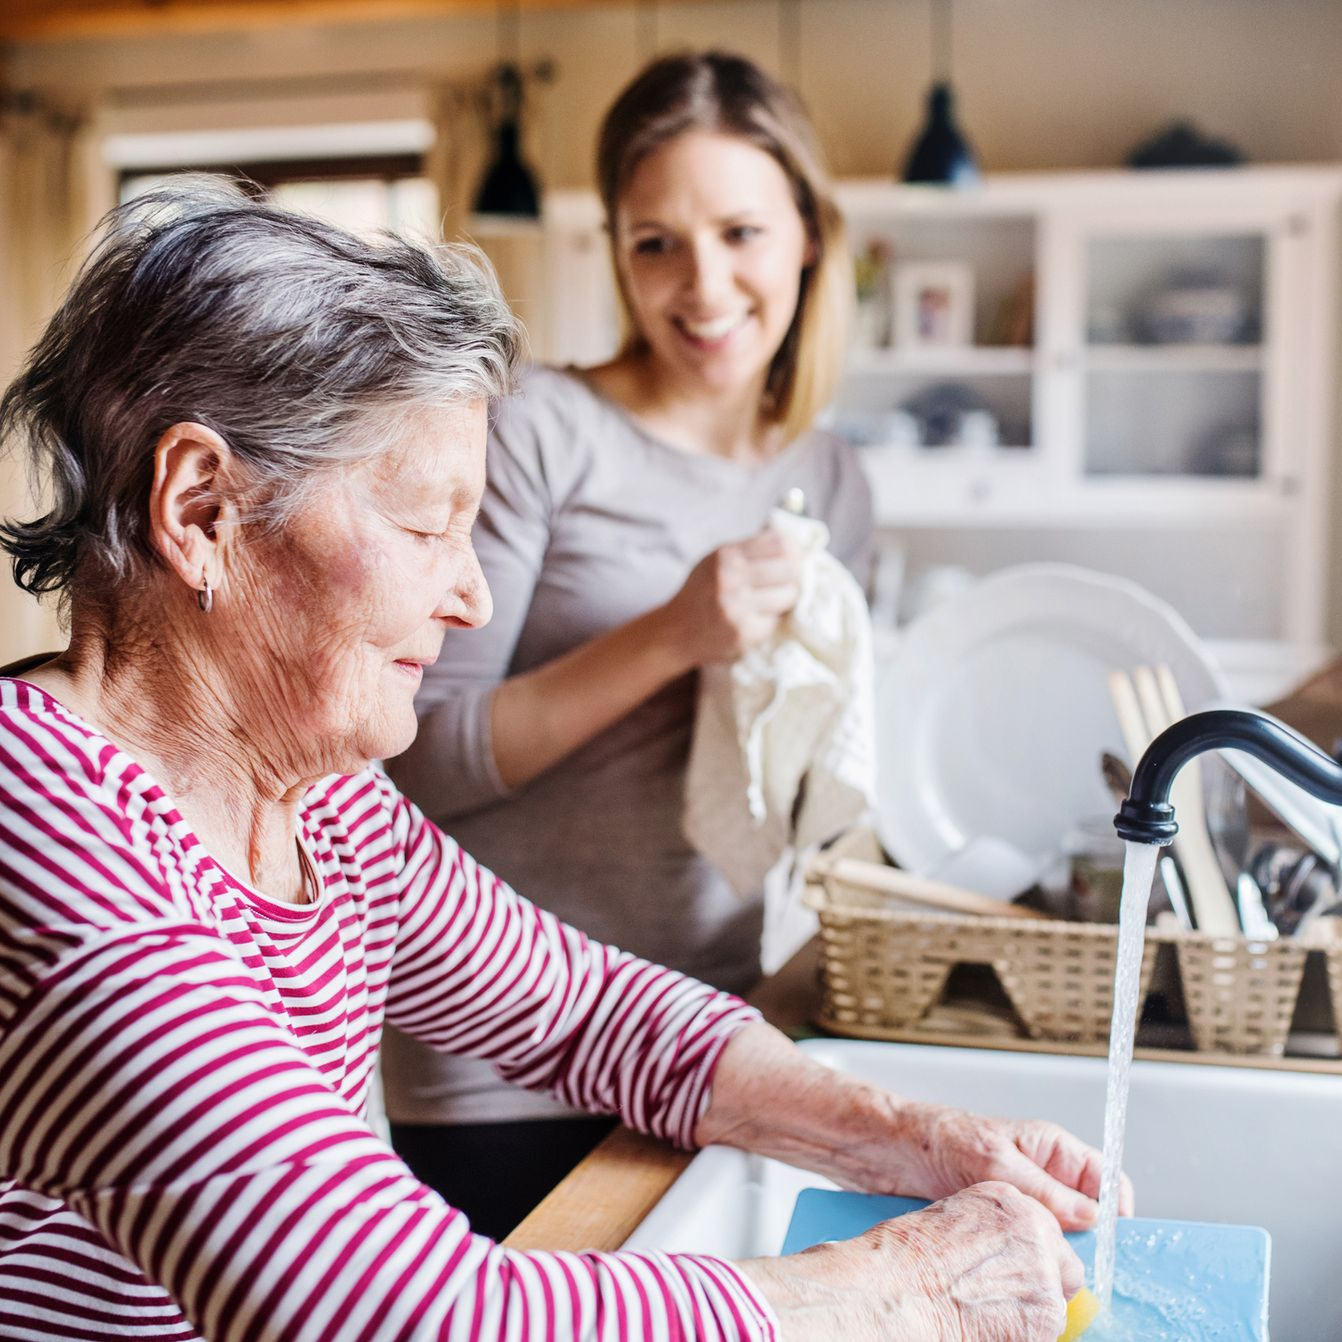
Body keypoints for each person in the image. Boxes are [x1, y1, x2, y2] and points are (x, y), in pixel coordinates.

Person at [0, 178, 1121, 1342]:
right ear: (201, 510)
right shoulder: (54, 846)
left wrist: (918, 1136)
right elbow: (411, 1318)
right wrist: (912, 1291)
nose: (473, 593)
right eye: (429, 526)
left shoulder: (324, 802)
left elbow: (590, 1014)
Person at [381, 50, 873, 1233]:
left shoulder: (830, 474)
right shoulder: (539, 429)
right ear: (616, 252)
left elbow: (812, 751)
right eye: (655, 241)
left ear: (807, 236)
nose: (702, 286)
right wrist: (670, 635)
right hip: (503, 1055)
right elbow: (416, 760)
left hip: (717, 1025)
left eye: (741, 232)